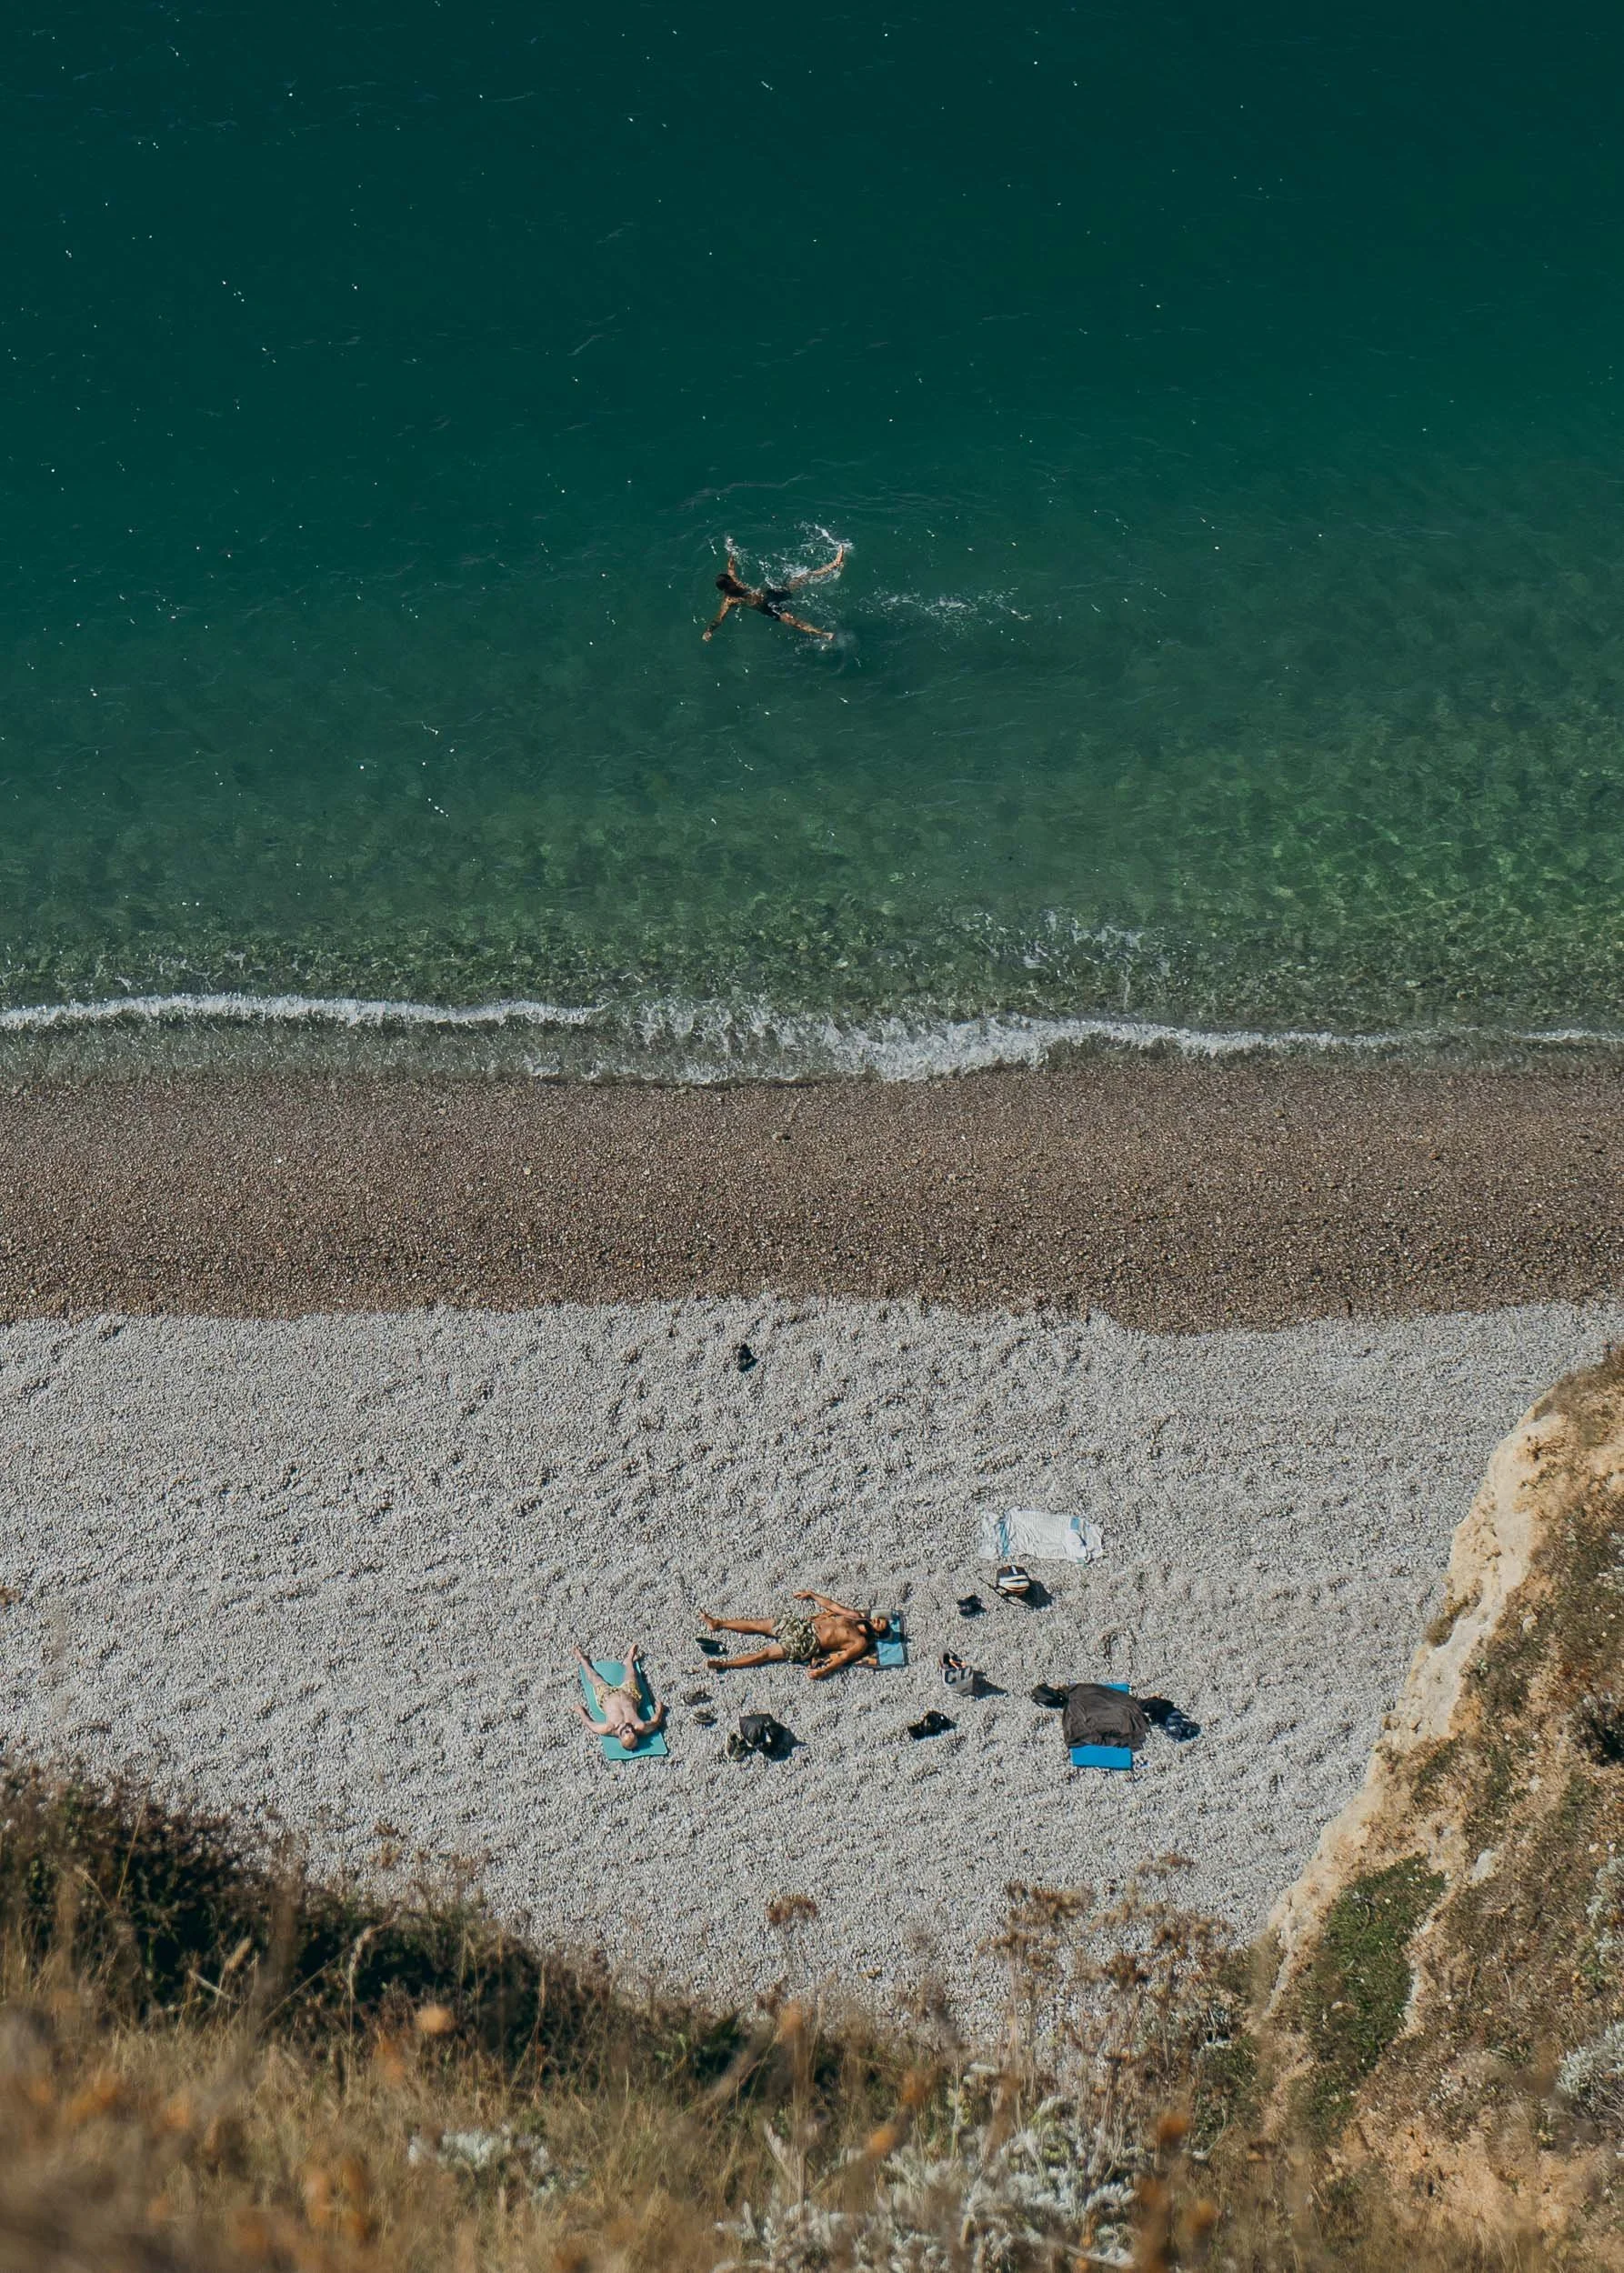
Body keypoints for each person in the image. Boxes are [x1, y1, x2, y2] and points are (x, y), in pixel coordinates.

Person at [700, 1590, 889, 1680]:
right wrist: (812, 1595)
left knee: (765, 1655)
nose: (877, 1620)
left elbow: (843, 1658)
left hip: (807, 1642)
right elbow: (832, 1606)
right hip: (802, 1626)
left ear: (879, 1633)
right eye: (879, 1619)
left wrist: (824, 1671)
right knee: (757, 1624)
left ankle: (725, 1664)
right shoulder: (855, 1617)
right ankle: (718, 1623)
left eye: (881, 1624)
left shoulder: (860, 1642)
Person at [702, 544, 846, 642]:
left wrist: (730, 550)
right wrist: (709, 631)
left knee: (803, 576)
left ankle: (834, 564)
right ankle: (824, 635)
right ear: (725, 589)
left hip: (771, 593)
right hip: (768, 608)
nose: (734, 585)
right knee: (792, 620)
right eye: (730, 586)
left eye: (732, 582)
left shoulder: (733, 579)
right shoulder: (729, 601)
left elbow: (731, 567)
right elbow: (719, 618)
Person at [573, 1645, 667, 1750]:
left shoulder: (609, 1728)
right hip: (630, 1694)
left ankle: (582, 1660)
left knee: (594, 1678)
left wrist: (581, 1712)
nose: (630, 1729)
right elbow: (654, 1723)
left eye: (627, 1732)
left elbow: (591, 1725)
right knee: (632, 1676)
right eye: (633, 1732)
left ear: (620, 1737)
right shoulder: (639, 1726)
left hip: (606, 1696)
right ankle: (629, 1660)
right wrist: (659, 1711)